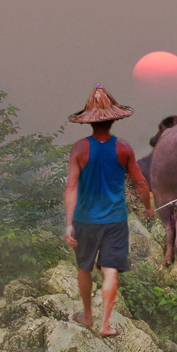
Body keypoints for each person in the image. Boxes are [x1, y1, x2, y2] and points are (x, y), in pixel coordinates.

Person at [64, 83, 155, 338]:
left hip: (84, 219)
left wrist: (69, 223)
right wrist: (148, 207)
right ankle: (105, 325)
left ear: (89, 122)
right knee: (110, 270)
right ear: (113, 119)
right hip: (115, 219)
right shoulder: (123, 147)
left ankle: (87, 316)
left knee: (84, 268)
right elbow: (140, 182)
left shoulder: (79, 148)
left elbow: (71, 187)